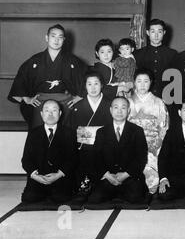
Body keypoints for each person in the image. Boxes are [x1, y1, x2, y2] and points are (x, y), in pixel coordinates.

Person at [8, 24, 87, 129]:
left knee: (65, 135)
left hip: (64, 102)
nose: (56, 40)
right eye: (53, 36)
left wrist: (78, 97)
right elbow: (21, 79)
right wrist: (27, 99)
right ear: (47, 38)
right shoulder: (35, 60)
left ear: (64, 40)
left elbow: (87, 80)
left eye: (60, 37)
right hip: (40, 103)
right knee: (38, 134)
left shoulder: (73, 61)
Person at [88, 97, 148, 204]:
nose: (119, 111)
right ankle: (115, 193)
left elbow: (141, 158)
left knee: (136, 199)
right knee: (95, 199)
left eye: (123, 108)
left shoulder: (137, 131)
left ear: (128, 111)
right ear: (111, 110)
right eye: (116, 107)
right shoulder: (101, 132)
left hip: (129, 176)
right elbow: (96, 157)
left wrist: (125, 175)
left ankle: (119, 193)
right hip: (108, 176)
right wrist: (107, 175)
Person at [66, 71, 113, 202]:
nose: (93, 88)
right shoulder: (77, 107)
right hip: (83, 151)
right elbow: (70, 133)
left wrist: (91, 133)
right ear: (85, 86)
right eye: (89, 84)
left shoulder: (111, 105)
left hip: (105, 151)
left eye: (96, 84)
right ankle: (84, 184)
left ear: (102, 85)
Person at [21, 100, 75, 203]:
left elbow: (73, 159)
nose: (50, 114)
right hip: (39, 177)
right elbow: (26, 160)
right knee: (29, 198)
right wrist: (35, 176)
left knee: (61, 198)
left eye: (54, 110)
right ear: (41, 114)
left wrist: (58, 175)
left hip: (59, 178)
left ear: (60, 113)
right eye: (47, 111)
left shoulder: (69, 133)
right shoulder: (33, 133)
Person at [127, 69, 169, 194]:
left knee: (153, 179)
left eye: (146, 81)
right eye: (139, 81)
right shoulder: (128, 102)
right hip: (132, 145)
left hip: (153, 146)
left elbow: (164, 127)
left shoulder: (158, 102)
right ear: (134, 82)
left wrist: (156, 145)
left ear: (151, 83)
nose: (142, 84)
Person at [134, 19, 178, 98]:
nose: (156, 35)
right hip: (143, 98)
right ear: (148, 33)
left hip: (166, 98)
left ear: (164, 33)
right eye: (153, 31)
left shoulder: (173, 54)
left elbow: (176, 80)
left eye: (159, 32)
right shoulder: (138, 54)